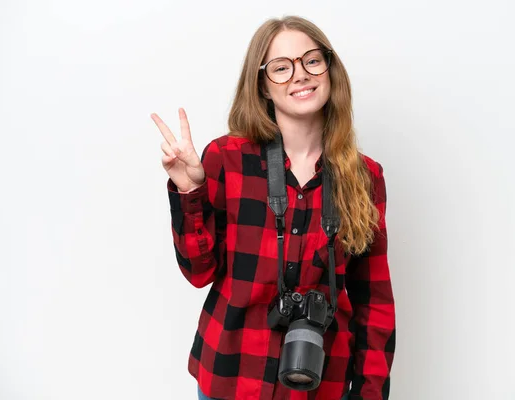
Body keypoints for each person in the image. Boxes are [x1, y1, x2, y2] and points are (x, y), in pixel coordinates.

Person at [151, 15, 395, 400]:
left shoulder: (365, 177)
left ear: (330, 70)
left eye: (312, 61)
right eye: (281, 68)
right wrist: (190, 191)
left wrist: (369, 391)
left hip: (321, 383)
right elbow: (200, 273)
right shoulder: (227, 159)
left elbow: (374, 301)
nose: (300, 75)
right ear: (263, 86)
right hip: (230, 377)